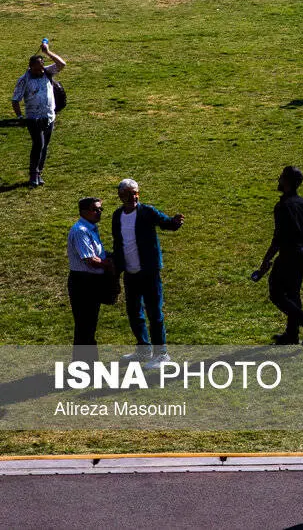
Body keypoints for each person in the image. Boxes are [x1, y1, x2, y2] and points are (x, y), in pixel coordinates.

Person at [111, 178, 184, 370]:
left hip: (149, 272)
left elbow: (165, 222)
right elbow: (118, 245)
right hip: (130, 273)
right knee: (134, 313)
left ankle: (162, 354)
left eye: (136, 192)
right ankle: (143, 349)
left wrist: (175, 223)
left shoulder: (147, 211)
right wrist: (117, 271)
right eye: (129, 193)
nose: (133, 196)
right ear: (121, 196)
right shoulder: (117, 216)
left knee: (154, 313)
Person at [254, 166, 303, 346]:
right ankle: (292, 335)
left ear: (288, 182)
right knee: (293, 294)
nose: (279, 179)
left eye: (282, 177)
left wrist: (266, 260)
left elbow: (278, 237)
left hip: (288, 256)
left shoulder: (282, 206)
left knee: (276, 294)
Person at [11, 41, 66, 188]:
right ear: (30, 68)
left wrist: (47, 52)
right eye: (36, 70)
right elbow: (15, 100)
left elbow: (62, 64)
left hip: (49, 116)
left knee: (45, 146)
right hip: (33, 118)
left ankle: (39, 173)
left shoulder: (46, 72)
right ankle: (33, 175)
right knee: (38, 144)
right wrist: (19, 117)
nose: (39, 72)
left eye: (41, 69)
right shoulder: (24, 80)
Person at [67, 197, 114, 360]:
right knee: (84, 325)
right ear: (84, 211)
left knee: (89, 324)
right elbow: (90, 260)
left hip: (89, 282)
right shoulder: (81, 230)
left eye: (101, 209)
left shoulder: (90, 228)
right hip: (83, 283)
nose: (99, 212)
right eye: (96, 209)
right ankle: (83, 366)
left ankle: (89, 363)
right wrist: (109, 265)